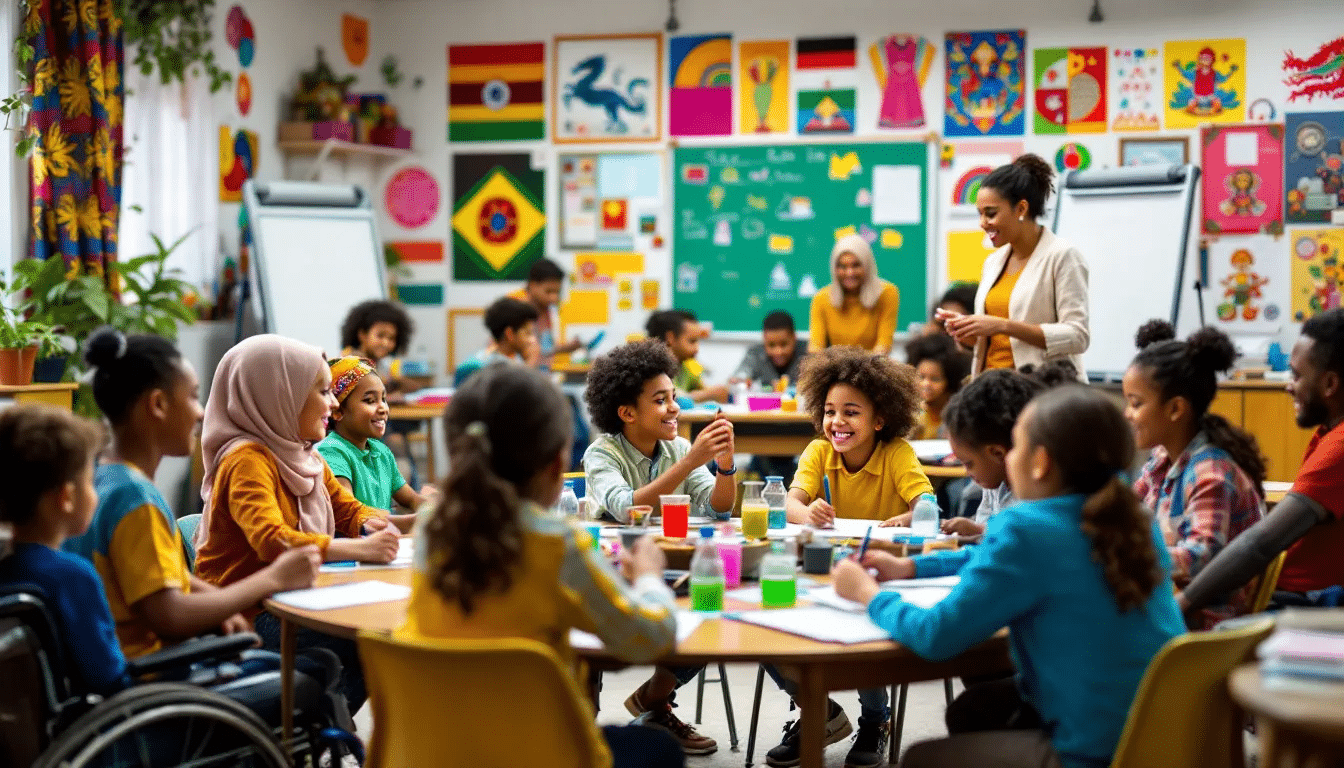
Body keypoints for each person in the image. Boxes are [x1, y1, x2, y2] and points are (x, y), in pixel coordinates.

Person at [834, 385, 1185, 768]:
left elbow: (935, 636)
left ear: (1041, 462)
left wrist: (868, 594)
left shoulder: (1026, 526)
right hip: (1161, 732)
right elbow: (994, 557)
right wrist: (912, 566)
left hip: (1094, 750)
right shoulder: (1131, 514)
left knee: (921, 758)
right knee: (973, 711)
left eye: (1016, 445)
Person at [397, 364, 685, 768]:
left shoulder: (431, 527)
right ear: (556, 463)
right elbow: (651, 638)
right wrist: (651, 576)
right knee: (659, 750)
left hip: (433, 752)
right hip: (540, 753)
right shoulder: (558, 543)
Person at [65, 328, 321, 660]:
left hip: (127, 668)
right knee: (315, 673)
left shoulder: (104, 477)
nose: (201, 412)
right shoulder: (134, 498)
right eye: (192, 396)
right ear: (157, 404)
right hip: (151, 678)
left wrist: (221, 607)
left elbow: (169, 577)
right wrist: (272, 578)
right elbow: (170, 615)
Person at [193, 334, 402, 713]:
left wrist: (414, 521)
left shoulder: (303, 453)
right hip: (246, 616)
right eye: (322, 392)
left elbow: (351, 512)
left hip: (291, 599)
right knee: (364, 643)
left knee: (368, 640)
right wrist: (359, 547)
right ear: (280, 394)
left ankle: (320, 732)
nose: (334, 403)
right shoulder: (246, 460)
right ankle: (311, 734)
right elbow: (271, 541)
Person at [764, 347, 931, 768]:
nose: (837, 422)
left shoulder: (897, 454)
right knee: (768, 624)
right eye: (830, 411)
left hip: (877, 573)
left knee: (863, 631)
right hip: (821, 569)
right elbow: (790, 504)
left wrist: (908, 516)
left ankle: (876, 719)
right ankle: (816, 711)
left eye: (851, 413)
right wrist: (808, 511)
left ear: (880, 420)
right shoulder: (819, 451)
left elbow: (927, 506)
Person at [582, 339, 733, 755]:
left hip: (671, 567)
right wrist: (690, 462)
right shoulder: (602, 453)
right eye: (660, 400)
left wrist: (724, 464)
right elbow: (627, 507)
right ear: (628, 413)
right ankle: (582, 720)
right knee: (588, 645)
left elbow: (718, 508)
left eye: (673, 397)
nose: (674, 408)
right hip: (611, 572)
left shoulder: (679, 448)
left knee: (711, 603)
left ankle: (656, 700)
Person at [1180, 308, 1344, 615]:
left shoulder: (1340, 446)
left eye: (1296, 375)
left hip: (1309, 603)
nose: (1288, 385)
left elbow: (1261, 544)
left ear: (1330, 384)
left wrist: (1184, 603)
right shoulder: (1329, 432)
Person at [1123, 320, 1265, 629]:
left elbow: (1200, 556)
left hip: (1201, 628)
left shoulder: (1210, 473)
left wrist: (1128, 558)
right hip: (1167, 609)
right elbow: (1119, 507)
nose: (1127, 414)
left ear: (1175, 409)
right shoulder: (1161, 461)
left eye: (1135, 403)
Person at [0, 405, 125, 695]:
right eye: (90, 482)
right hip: (99, 731)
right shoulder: (73, 577)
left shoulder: (6, 571)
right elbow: (108, 679)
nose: (95, 493)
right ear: (67, 497)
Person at [939, 155, 1089, 377]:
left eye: (991, 213)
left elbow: (1078, 336)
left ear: (1021, 209)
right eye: (980, 214)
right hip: (993, 391)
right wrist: (969, 333)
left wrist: (1003, 325)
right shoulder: (993, 261)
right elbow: (995, 343)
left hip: (1039, 392)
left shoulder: (1063, 256)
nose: (983, 223)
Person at [318, 356, 435, 515]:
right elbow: (351, 513)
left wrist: (438, 505)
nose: (383, 408)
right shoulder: (332, 451)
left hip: (383, 536)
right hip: (357, 540)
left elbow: (412, 499)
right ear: (337, 411)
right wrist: (409, 523)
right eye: (370, 400)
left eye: (384, 399)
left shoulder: (381, 452)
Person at [340, 298, 422, 485]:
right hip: (357, 434)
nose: (386, 343)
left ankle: (408, 493)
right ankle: (407, 494)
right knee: (397, 443)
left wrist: (397, 383)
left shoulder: (381, 365)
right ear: (362, 334)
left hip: (378, 429)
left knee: (398, 441)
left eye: (391, 338)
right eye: (380, 335)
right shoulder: (349, 362)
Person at [808, 234, 900, 354]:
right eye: (842, 266)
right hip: (837, 369)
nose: (849, 272)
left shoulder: (887, 293)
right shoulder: (821, 298)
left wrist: (859, 368)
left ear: (867, 265)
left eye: (856, 265)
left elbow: (884, 345)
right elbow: (815, 347)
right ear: (834, 268)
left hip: (874, 368)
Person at [510, 258, 583, 367]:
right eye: (549, 291)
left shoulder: (547, 309)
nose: (554, 298)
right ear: (533, 285)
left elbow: (543, 350)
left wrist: (566, 348)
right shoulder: (513, 307)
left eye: (557, 292)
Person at [646, 310, 729, 403]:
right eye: (692, 341)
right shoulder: (650, 368)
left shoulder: (687, 366)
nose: (697, 349)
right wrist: (705, 395)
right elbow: (669, 397)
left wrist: (715, 392)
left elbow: (704, 389)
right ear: (671, 337)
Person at [454, 296, 541, 385]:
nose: (533, 340)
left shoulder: (516, 360)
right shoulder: (480, 368)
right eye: (528, 333)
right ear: (509, 334)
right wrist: (530, 365)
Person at [905, 334, 972, 440]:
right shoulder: (912, 414)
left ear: (950, 381)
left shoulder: (960, 416)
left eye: (935, 379)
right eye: (921, 377)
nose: (926, 384)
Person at [732, 310, 806, 389]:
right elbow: (742, 373)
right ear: (764, 339)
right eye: (771, 345)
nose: (778, 352)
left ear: (794, 338)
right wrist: (740, 380)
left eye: (784, 344)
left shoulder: (807, 352)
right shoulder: (755, 353)